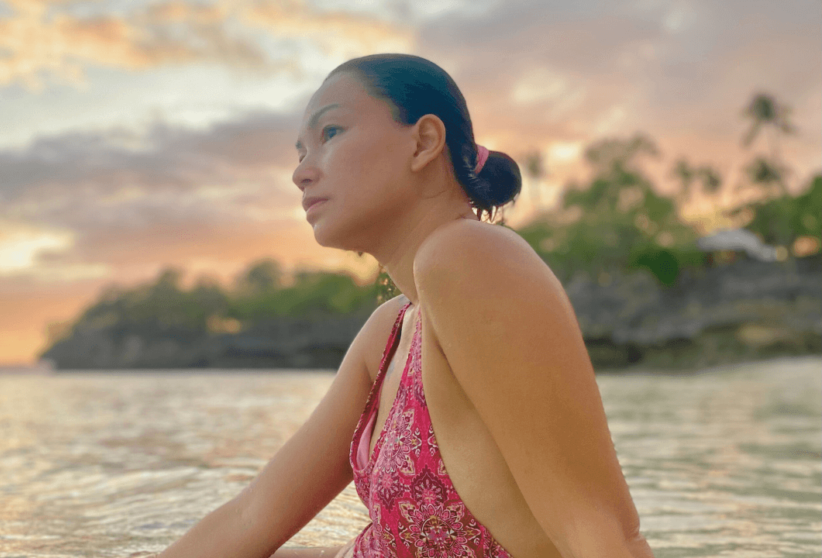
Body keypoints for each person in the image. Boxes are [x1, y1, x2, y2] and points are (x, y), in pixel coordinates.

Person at [144, 54, 655, 558]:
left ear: (424, 142)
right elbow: (254, 515)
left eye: (331, 134)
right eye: (300, 152)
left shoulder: (471, 257)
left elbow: (602, 529)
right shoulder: (391, 328)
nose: (301, 172)